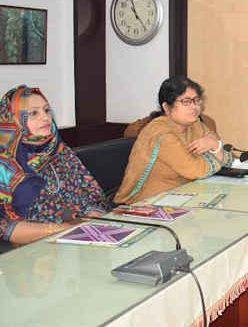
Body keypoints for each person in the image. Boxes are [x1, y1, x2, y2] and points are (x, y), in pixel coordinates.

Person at [0, 85, 108, 245]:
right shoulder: (5, 164)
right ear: (13, 119)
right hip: (32, 250)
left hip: (79, 238)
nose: (45, 117)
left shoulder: (59, 150)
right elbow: (3, 227)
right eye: (33, 113)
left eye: (46, 110)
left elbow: (91, 194)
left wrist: (93, 213)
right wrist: (62, 229)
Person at [114, 77, 233, 204]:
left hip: (184, 195)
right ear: (167, 107)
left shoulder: (195, 125)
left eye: (196, 100)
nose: (194, 106)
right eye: (186, 101)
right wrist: (214, 146)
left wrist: (215, 145)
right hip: (150, 203)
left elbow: (227, 161)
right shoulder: (161, 132)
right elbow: (195, 170)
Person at [124, 110, 217, 138]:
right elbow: (129, 133)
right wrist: (152, 118)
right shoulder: (156, 120)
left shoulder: (207, 122)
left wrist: (215, 146)